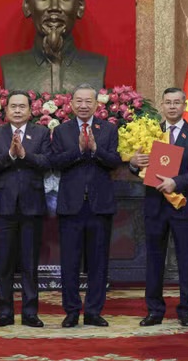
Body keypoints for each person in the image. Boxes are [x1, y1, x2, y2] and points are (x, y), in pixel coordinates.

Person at [129, 87, 188, 327]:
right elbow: (139, 166)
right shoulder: (150, 133)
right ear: (162, 106)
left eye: (177, 102)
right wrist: (133, 163)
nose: (172, 106)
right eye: (168, 102)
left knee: (185, 259)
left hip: (183, 206)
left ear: (185, 106)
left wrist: (177, 182)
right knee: (154, 259)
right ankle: (154, 310)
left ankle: (186, 310)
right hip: (155, 205)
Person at [51, 83, 122, 327]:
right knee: (69, 262)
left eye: (88, 101)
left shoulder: (108, 129)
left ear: (96, 104)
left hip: (99, 206)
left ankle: (93, 311)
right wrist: (79, 150)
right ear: (71, 104)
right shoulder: (62, 131)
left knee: (98, 262)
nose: (83, 105)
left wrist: (95, 149)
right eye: (79, 101)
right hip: (71, 206)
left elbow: (114, 161)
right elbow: (55, 162)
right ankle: (71, 311)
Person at [0, 91, 52, 328]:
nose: (17, 110)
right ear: (5, 110)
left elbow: (47, 162)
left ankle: (30, 312)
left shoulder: (41, 133)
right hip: (4, 206)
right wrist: (10, 155)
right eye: (13, 106)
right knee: (4, 263)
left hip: (31, 206)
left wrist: (25, 155)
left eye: (22, 106)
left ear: (30, 110)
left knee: (29, 263)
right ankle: (4, 312)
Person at [0, 0, 107, 93]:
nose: (54, 7)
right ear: (27, 5)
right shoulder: (11, 66)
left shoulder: (97, 66)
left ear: (80, 6)